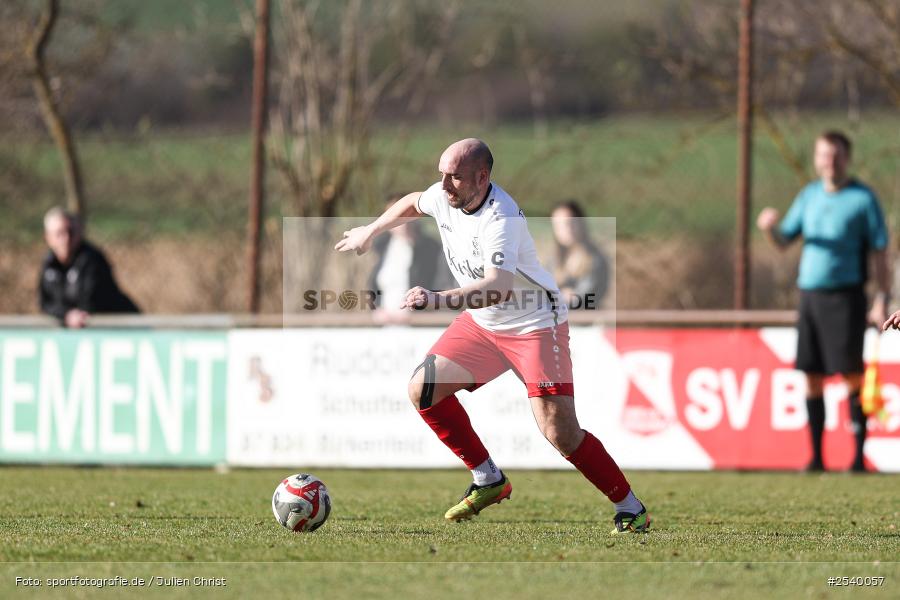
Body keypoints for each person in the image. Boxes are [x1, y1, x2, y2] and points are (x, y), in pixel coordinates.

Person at [336, 138, 650, 533]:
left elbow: (498, 287)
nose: (444, 185)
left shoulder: (501, 218)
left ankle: (631, 507)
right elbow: (414, 201)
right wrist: (372, 229)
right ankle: (488, 478)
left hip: (534, 323)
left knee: (559, 431)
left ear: (481, 178)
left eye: (454, 177)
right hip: (484, 322)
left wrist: (437, 298)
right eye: (441, 174)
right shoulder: (444, 195)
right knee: (424, 389)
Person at [757, 131, 889, 473]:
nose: (828, 161)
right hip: (810, 297)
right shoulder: (809, 195)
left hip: (847, 296)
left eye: (835, 155)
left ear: (847, 158)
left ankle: (858, 458)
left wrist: (881, 298)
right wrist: (769, 229)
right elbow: (785, 239)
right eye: (823, 155)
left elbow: (880, 250)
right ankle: (816, 458)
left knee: (851, 375)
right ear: (816, 159)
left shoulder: (862, 199)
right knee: (811, 375)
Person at [38, 207, 139, 328]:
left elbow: (90, 303)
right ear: (48, 237)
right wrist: (66, 315)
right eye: (59, 233)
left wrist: (72, 315)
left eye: (70, 232)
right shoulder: (49, 264)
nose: (66, 239)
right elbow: (45, 303)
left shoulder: (92, 260)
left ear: (79, 232)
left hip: (119, 328)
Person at [367, 194, 452, 324]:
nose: (401, 221)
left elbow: (441, 287)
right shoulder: (381, 246)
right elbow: (374, 284)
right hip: (386, 325)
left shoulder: (432, 248)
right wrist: (376, 309)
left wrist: (417, 314)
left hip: (420, 325)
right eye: (395, 216)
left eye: (406, 215)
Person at [551, 200, 610, 310]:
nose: (566, 229)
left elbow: (584, 298)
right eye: (558, 225)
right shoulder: (555, 260)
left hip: (587, 323)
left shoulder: (595, 259)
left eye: (569, 223)